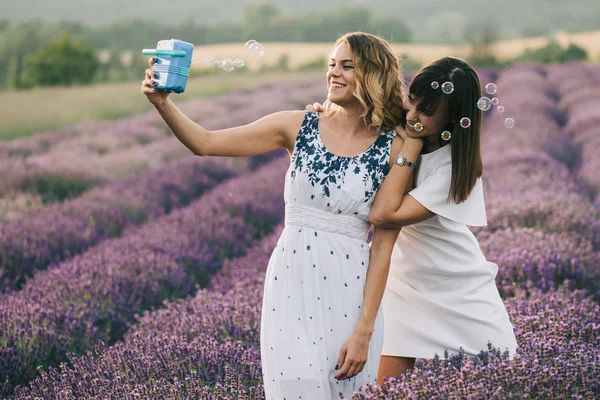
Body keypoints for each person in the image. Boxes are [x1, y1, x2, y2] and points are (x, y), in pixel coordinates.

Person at [142, 32, 408, 399]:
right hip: (291, 284)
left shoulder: (395, 147)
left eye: (348, 66)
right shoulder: (297, 126)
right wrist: (161, 103)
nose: (334, 73)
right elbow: (206, 143)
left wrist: (364, 332)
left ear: (374, 75)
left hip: (352, 291)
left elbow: (383, 248)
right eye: (331, 64)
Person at [366, 57, 519, 382]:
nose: (411, 115)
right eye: (413, 101)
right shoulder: (403, 132)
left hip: (457, 285)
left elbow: (384, 215)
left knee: (505, 373)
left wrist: (410, 144)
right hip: (403, 283)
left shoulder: (452, 168)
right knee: (386, 389)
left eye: (427, 111)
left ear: (454, 118)